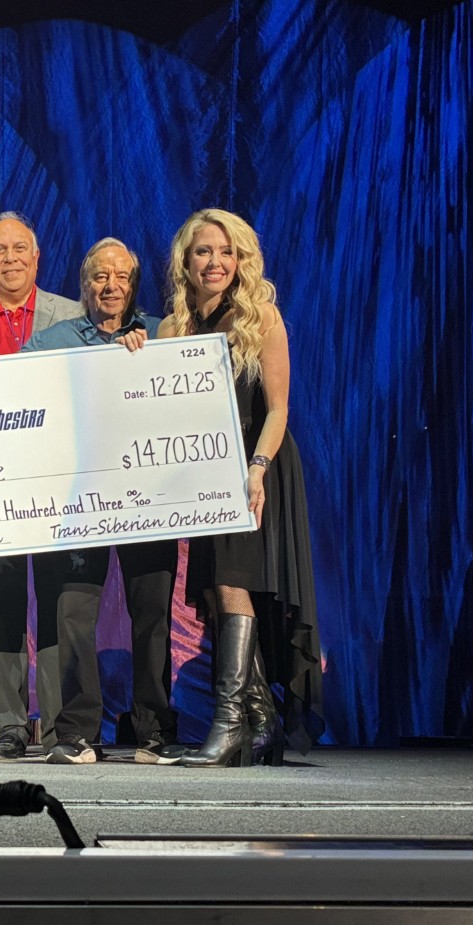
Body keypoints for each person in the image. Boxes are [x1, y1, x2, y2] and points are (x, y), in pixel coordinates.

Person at [158, 208, 323, 766]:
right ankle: (261, 721)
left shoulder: (260, 317)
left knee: (231, 583)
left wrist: (256, 467)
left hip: (257, 466)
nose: (216, 261)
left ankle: (228, 724)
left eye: (226, 252)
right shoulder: (172, 329)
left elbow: (278, 409)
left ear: (241, 260)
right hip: (205, 472)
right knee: (211, 589)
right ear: (186, 260)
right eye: (204, 251)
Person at [20, 238, 184, 765]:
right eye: (100, 277)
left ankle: (154, 731)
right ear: (85, 284)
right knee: (72, 614)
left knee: (153, 613)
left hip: (147, 499)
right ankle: (76, 733)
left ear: (133, 285)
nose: (111, 286)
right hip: (80, 501)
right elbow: (16, 394)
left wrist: (154, 356)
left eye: (121, 277)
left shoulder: (160, 333)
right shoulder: (52, 341)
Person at [0, 212, 81, 759]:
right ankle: (9, 727)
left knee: (61, 602)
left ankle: (58, 726)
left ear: (37, 257)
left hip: (60, 483)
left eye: (19, 250)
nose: (9, 259)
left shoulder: (73, 315)